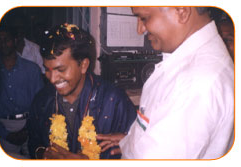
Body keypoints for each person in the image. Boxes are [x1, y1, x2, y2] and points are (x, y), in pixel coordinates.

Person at [97, 7, 234, 159]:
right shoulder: (187, 62)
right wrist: (131, 141)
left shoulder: (196, 82)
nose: (139, 29)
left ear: (182, 12)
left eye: (144, 18)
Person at [27, 23, 136, 159]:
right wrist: (43, 154)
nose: (52, 79)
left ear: (83, 65)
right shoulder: (42, 99)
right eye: (48, 70)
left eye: (60, 70)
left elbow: (136, 153)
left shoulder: (113, 101)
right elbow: (33, 143)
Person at [0, 26, 44, 159]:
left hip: (29, 125)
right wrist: (4, 134)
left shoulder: (31, 69)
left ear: (15, 40)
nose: (2, 44)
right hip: (2, 127)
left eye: (6, 40)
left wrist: (28, 129)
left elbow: (40, 105)